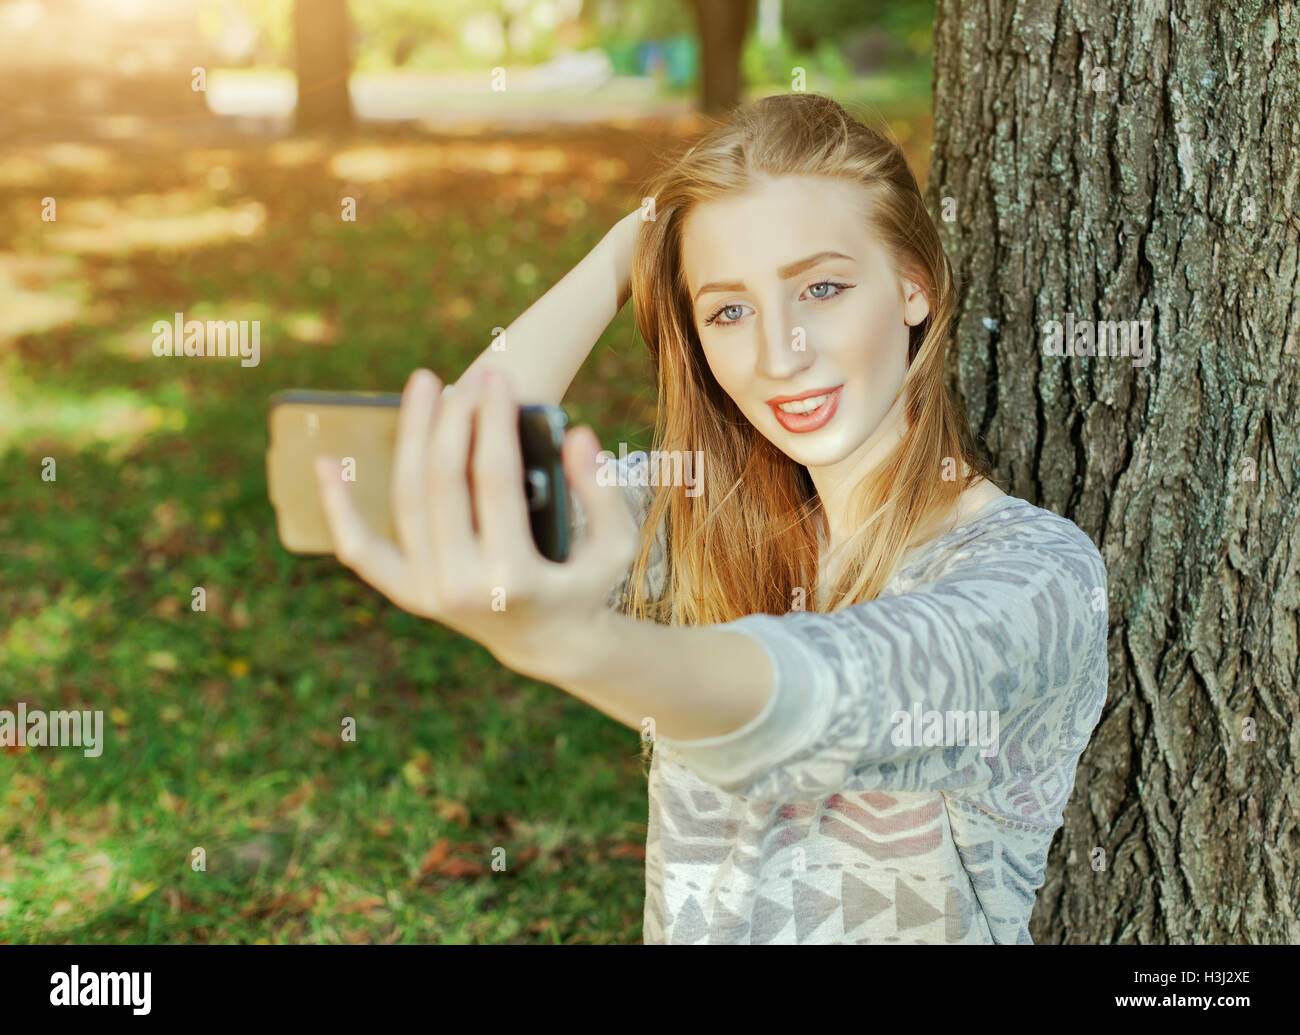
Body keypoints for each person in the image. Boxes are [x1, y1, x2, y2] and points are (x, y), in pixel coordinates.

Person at [313, 92, 1109, 944]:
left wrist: (567, 644)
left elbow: (827, 698)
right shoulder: (692, 518)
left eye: (823, 287)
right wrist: (630, 249)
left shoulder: (1036, 574)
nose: (780, 352)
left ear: (914, 288)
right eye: (729, 309)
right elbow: (446, 485)